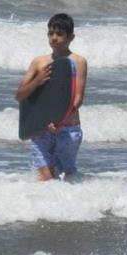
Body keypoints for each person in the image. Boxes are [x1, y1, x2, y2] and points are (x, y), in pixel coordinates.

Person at [14, 13, 88, 181]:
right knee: (45, 179)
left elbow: (77, 100)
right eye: (50, 33)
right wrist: (37, 81)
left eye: (59, 34)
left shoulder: (78, 62)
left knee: (67, 178)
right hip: (41, 130)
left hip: (67, 130)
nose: (54, 38)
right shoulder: (38, 62)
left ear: (71, 37)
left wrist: (59, 121)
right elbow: (20, 95)